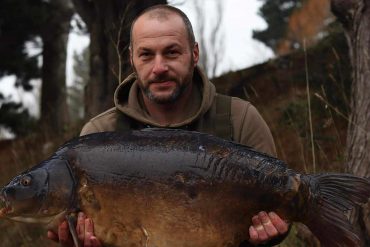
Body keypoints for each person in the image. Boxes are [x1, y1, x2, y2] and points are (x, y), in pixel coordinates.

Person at [48, 4, 289, 247]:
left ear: (194, 53)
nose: (159, 67)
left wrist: (274, 233)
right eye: (146, 55)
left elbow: (280, 207)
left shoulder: (239, 118)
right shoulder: (99, 134)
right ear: (132, 58)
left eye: (171, 52)